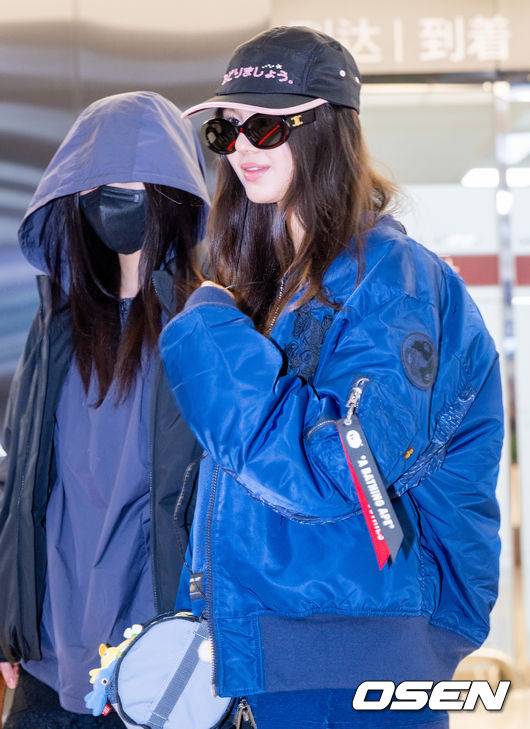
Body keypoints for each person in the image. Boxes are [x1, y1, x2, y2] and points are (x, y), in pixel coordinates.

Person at [159, 27, 504, 729]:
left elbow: (341, 471)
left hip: (354, 664)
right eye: (226, 129)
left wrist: (210, 336)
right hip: (267, 657)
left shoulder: (395, 281)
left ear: (327, 130)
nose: (242, 148)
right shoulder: (265, 289)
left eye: (266, 126)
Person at [0, 91, 210, 727]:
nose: (112, 200)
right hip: (49, 653)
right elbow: (22, 480)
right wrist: (9, 617)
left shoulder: (208, 323)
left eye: (133, 183)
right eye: (95, 186)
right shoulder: (56, 327)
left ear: (173, 192)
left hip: (161, 653)